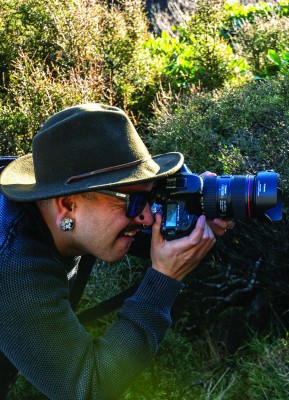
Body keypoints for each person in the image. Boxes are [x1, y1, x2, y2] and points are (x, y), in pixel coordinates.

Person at [0, 103, 234, 398]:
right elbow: (90, 388)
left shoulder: (61, 202)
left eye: (150, 198)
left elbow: (128, 225)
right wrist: (163, 281)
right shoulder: (11, 265)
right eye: (133, 202)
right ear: (68, 204)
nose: (147, 217)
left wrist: (190, 209)